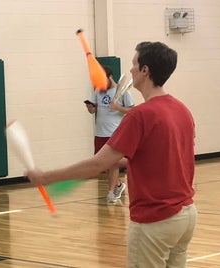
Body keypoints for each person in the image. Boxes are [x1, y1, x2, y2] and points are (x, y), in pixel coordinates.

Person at [27, 41, 196, 267]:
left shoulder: (140, 115)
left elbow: (97, 165)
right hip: (185, 217)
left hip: (155, 220)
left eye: (134, 64)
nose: (131, 70)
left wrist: (46, 177)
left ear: (145, 70)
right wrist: (127, 160)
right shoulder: (181, 109)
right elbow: (167, 155)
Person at [84, 65, 134, 202]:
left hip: (114, 132)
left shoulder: (123, 92)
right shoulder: (98, 90)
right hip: (100, 132)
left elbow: (131, 111)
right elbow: (92, 111)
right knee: (103, 163)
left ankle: (111, 192)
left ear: (110, 77)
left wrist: (117, 107)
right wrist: (90, 107)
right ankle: (118, 185)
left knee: (113, 162)